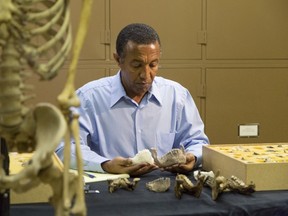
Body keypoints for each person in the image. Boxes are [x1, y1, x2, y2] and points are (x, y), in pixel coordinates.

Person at [56, 23, 209, 176]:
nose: (146, 74)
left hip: (165, 189)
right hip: (112, 187)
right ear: (118, 60)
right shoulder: (89, 98)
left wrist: (193, 157)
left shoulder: (177, 96)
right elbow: (65, 148)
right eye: (137, 65)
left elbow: (197, 142)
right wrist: (105, 164)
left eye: (153, 65)